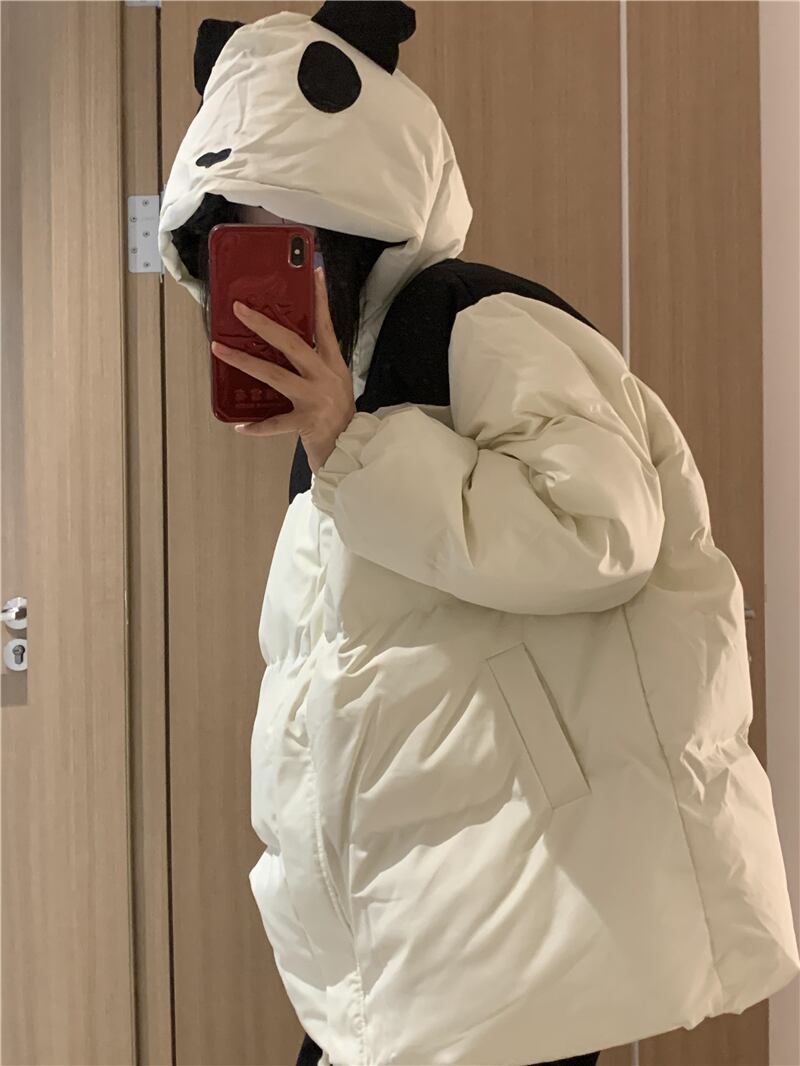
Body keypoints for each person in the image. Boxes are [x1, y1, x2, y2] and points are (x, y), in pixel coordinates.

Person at [157, 5, 800, 1066]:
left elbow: (599, 535)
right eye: (239, 239)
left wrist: (350, 444)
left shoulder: (475, 321)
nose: (277, 275)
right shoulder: (349, 396)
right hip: (423, 927)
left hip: (509, 916)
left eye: (299, 238)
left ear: (362, 230)